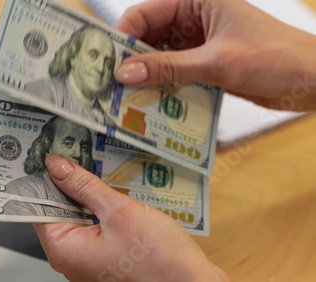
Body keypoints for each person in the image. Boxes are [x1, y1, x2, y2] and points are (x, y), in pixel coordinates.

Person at [32, 0, 316, 281]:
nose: (102, 66)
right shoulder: (43, 92)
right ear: (71, 56)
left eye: (108, 59)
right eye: (93, 55)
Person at [3, 116, 96, 217]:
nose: (77, 154)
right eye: (68, 143)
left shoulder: (90, 199)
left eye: (84, 148)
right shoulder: (22, 190)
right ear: (47, 148)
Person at [25, 26, 116, 124]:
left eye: (108, 63)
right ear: (73, 57)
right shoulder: (43, 91)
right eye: (93, 55)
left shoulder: (108, 125)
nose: (101, 68)